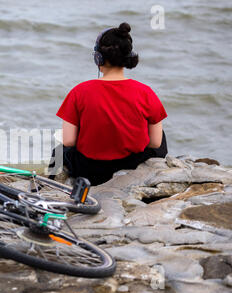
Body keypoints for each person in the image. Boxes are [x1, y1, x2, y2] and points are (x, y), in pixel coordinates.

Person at [49, 22, 168, 186]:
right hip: (130, 165)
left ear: (98, 57)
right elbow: (155, 143)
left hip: (90, 170)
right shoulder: (146, 92)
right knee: (162, 137)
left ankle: (43, 188)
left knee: (59, 150)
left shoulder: (79, 91)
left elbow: (69, 140)